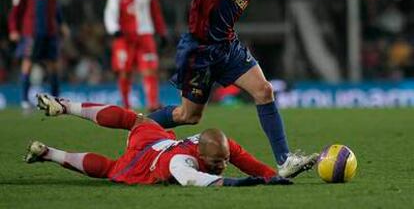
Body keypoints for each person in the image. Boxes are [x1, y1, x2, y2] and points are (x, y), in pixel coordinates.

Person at [147, 0, 318, 177]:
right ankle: (142, 125)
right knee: (188, 115)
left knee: (264, 90)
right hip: (200, 49)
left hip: (227, 47)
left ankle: (285, 161)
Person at [25, 94, 293, 187]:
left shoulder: (217, 144)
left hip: (158, 140)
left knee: (139, 121)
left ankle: (63, 109)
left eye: (224, 160)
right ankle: (50, 151)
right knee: (110, 169)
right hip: (146, 159)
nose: (222, 165)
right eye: (216, 161)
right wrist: (245, 183)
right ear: (201, 152)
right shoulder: (182, 163)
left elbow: (245, 160)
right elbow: (201, 180)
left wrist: (271, 177)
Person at [8, 0, 69, 111]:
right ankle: (24, 101)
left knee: (55, 64)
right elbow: (17, 5)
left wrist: (61, 23)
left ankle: (57, 101)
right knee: (27, 62)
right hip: (32, 30)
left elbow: (55, 5)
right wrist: (13, 28)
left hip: (51, 30)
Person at [104, 0, 168, 111]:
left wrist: (162, 32)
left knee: (150, 70)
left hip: (145, 36)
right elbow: (110, 13)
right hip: (124, 38)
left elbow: (155, 13)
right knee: (125, 73)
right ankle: (126, 106)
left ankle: (153, 103)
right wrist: (114, 29)